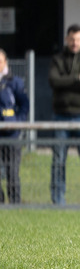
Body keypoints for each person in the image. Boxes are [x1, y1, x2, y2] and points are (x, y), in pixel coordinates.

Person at [49, 24, 80, 205]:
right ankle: (58, 201)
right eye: (71, 39)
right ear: (66, 39)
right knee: (58, 160)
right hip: (61, 116)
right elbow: (53, 81)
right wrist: (77, 78)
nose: (74, 43)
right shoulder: (58, 59)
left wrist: (66, 82)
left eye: (77, 39)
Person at [0, 49, 30, 204]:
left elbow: (24, 105)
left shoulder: (15, 82)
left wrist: (17, 122)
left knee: (12, 171)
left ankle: (15, 204)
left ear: (5, 62)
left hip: (11, 135)